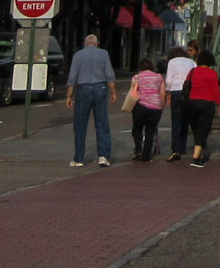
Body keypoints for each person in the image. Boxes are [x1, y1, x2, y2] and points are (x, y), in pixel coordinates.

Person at [65, 33, 117, 167]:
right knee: (102, 123)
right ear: (97, 43)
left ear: (85, 43)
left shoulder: (78, 55)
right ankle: (103, 156)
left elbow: (72, 77)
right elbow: (109, 75)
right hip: (100, 88)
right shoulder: (104, 54)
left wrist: (69, 96)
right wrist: (113, 92)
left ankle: (79, 158)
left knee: (80, 125)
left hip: (83, 89)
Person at [123, 55, 166, 162]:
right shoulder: (159, 77)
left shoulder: (136, 77)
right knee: (150, 131)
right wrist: (161, 107)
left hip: (140, 107)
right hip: (156, 108)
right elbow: (162, 94)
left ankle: (138, 150)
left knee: (137, 128)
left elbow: (133, 93)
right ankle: (146, 156)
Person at [186, 47, 220, 168]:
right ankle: (195, 158)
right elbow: (215, 91)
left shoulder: (192, 72)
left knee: (196, 129)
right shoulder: (212, 73)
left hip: (192, 102)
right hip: (207, 103)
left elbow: (185, 84)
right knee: (203, 129)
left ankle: (200, 156)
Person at [164, 41, 196, 161]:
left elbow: (168, 80)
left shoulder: (172, 62)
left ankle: (175, 149)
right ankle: (183, 146)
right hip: (189, 92)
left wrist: (168, 91)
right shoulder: (192, 62)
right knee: (185, 121)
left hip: (176, 91)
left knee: (176, 121)